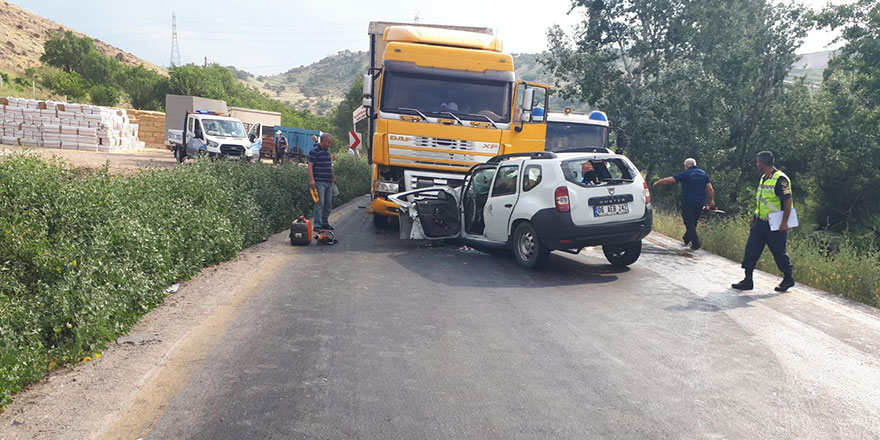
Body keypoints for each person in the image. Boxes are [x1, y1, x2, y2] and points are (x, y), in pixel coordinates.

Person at [732, 151, 795, 292]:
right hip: (760, 222)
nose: (756, 164)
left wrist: (784, 222)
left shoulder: (781, 179)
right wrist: (754, 218)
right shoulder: (763, 178)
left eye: (757, 162)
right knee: (751, 250)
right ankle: (748, 280)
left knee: (779, 252)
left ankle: (788, 278)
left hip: (775, 223)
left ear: (762, 163)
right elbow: (762, 201)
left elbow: (788, 201)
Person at [653, 158, 715, 250]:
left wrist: (658, 182)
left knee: (689, 222)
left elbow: (670, 180)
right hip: (700, 202)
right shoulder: (703, 174)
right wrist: (711, 200)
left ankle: (695, 243)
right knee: (693, 222)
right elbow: (710, 188)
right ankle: (686, 238)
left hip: (688, 202)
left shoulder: (685, 174)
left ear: (686, 166)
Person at [308, 133, 337, 231]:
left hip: (328, 181)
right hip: (319, 181)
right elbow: (310, 165)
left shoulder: (327, 152)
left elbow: (329, 165)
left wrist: (333, 177)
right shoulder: (314, 151)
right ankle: (317, 225)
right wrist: (312, 179)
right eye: (328, 142)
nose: (330, 144)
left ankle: (325, 222)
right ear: (323, 141)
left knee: (328, 204)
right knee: (320, 203)